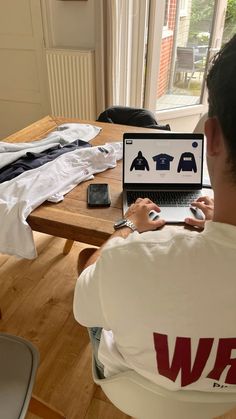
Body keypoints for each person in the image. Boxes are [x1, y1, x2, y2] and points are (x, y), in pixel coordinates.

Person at [73, 35, 236, 392]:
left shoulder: (129, 259)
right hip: (223, 396)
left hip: (135, 388)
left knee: (90, 266)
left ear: (212, 136)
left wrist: (127, 226)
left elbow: (82, 307)